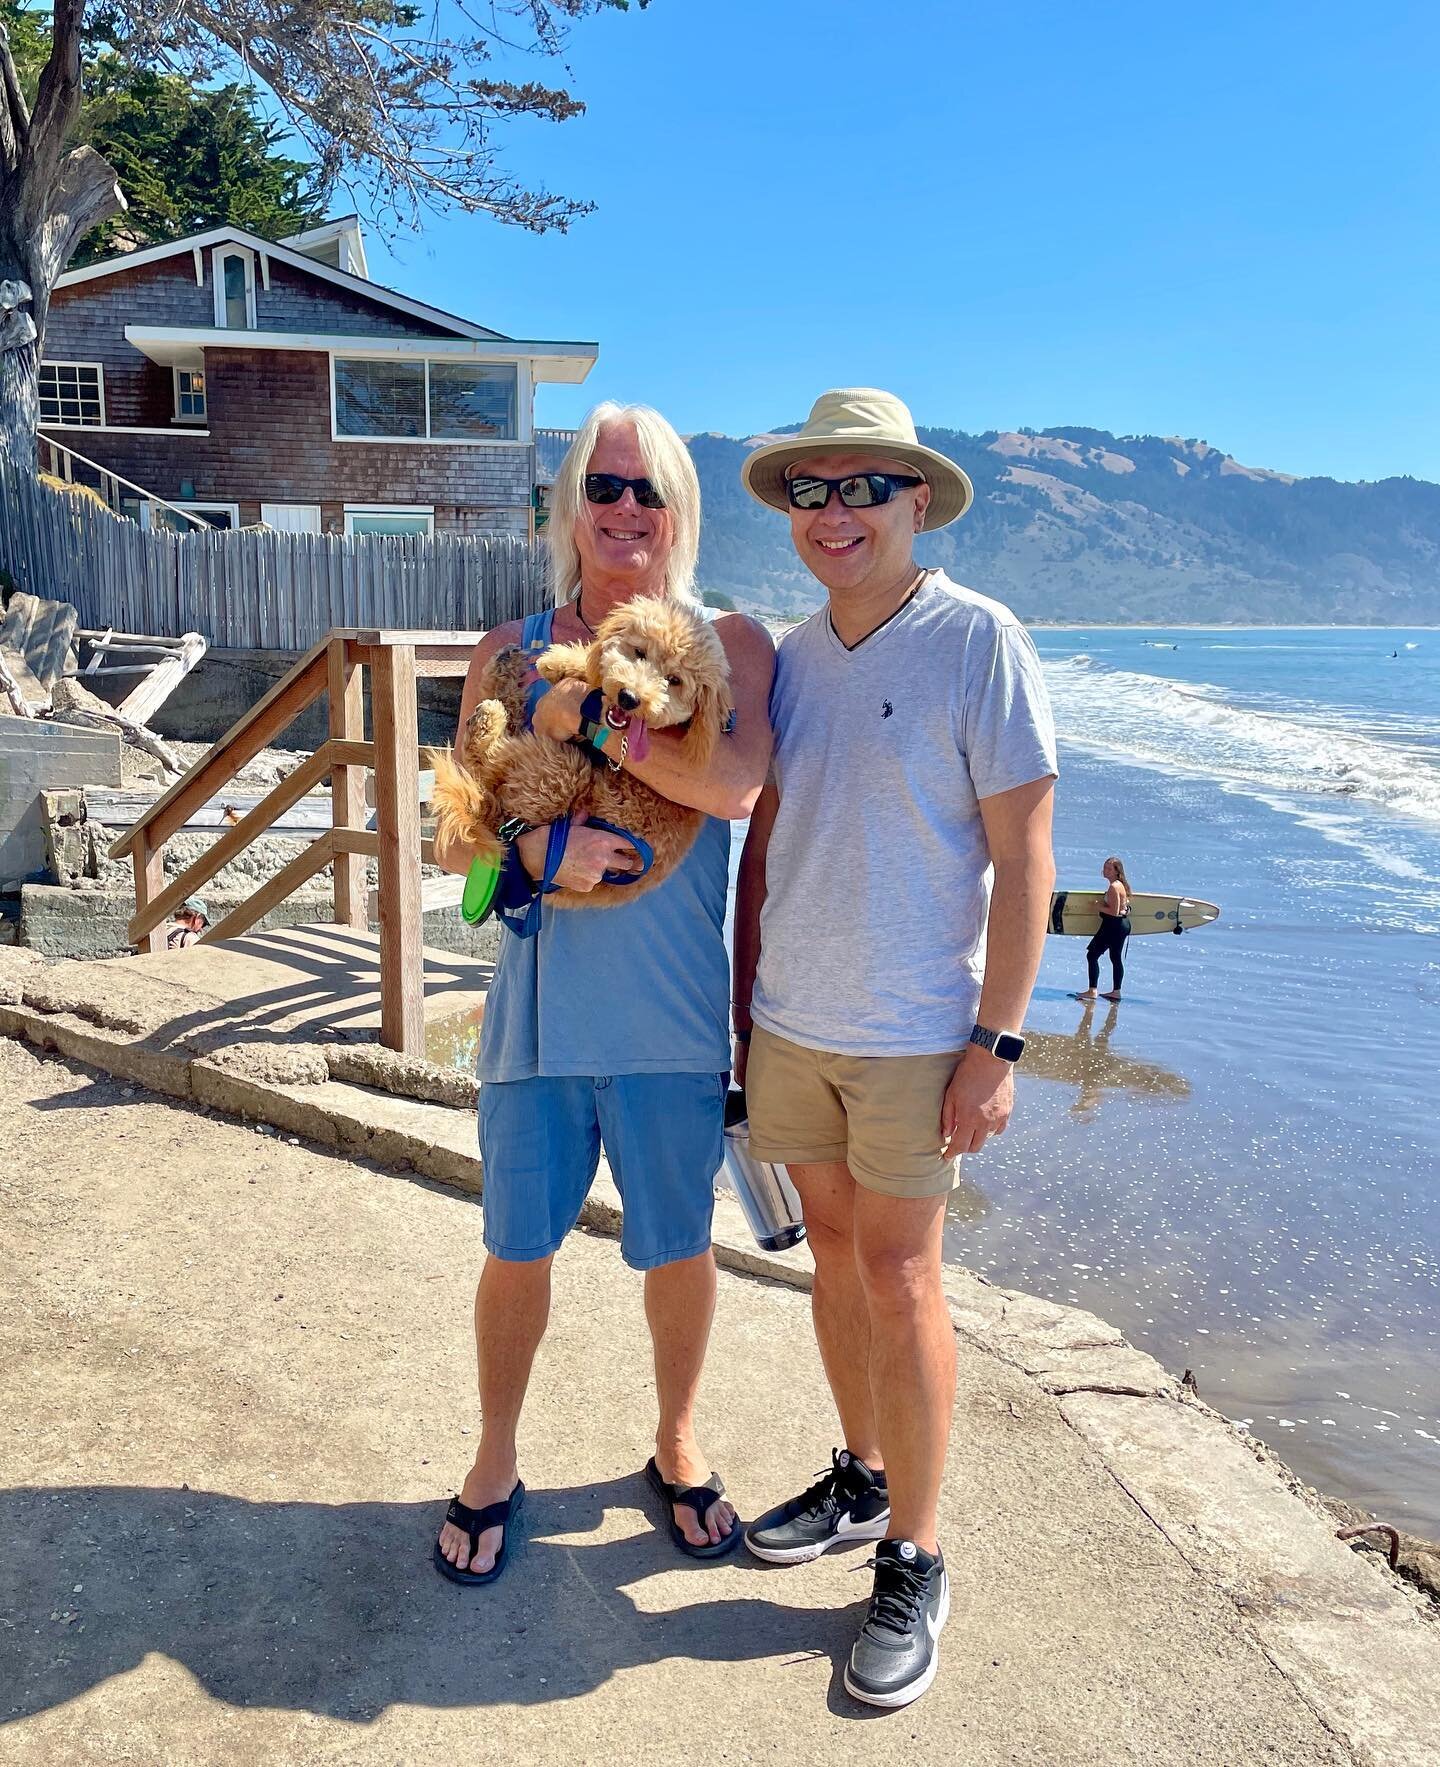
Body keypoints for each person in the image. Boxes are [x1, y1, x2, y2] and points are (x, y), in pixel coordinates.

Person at [732, 388, 1057, 1709]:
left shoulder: (980, 641)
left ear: (919, 502)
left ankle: (917, 1551)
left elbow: (1029, 851)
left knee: (904, 1275)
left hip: (923, 1032)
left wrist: (1002, 1039)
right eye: (815, 489)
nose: (838, 511)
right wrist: (741, 1009)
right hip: (792, 1023)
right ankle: (861, 1474)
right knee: (832, 1261)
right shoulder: (794, 659)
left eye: (868, 487)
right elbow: (765, 843)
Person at [431, 402, 774, 1585]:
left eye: (650, 489)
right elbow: (455, 849)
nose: (627, 509)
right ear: (570, 503)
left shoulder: (729, 645)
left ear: (681, 510)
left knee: (678, 1250)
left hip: (675, 1026)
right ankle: (492, 1458)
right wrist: (535, 857)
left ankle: (677, 1442)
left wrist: (591, 723)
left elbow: (731, 784)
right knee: (515, 1247)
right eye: (606, 486)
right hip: (533, 1026)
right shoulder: (509, 650)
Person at [1076, 856, 1131, 1003]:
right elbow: (1123, 908)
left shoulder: (1114, 887)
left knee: (1092, 956)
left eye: (1108, 868)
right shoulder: (1120, 885)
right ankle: (1116, 992)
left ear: (1116, 871)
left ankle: (1092, 990)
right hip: (1121, 925)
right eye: (1104, 867)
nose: (1105, 870)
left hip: (1113, 926)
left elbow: (1113, 911)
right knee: (1115, 958)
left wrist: (1096, 906)